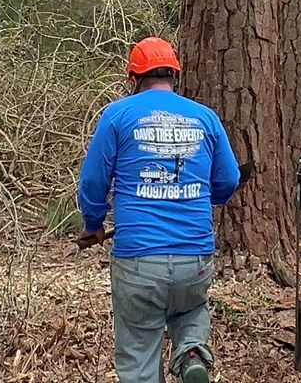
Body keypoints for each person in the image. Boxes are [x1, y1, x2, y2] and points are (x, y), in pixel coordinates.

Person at [76, 36, 240, 383]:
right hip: (194, 258)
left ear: (133, 79)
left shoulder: (118, 115)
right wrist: (195, 196)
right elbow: (228, 181)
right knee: (191, 307)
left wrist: (93, 222)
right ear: (175, 77)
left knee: (138, 354)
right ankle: (192, 352)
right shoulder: (205, 118)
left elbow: (93, 182)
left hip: (139, 260)